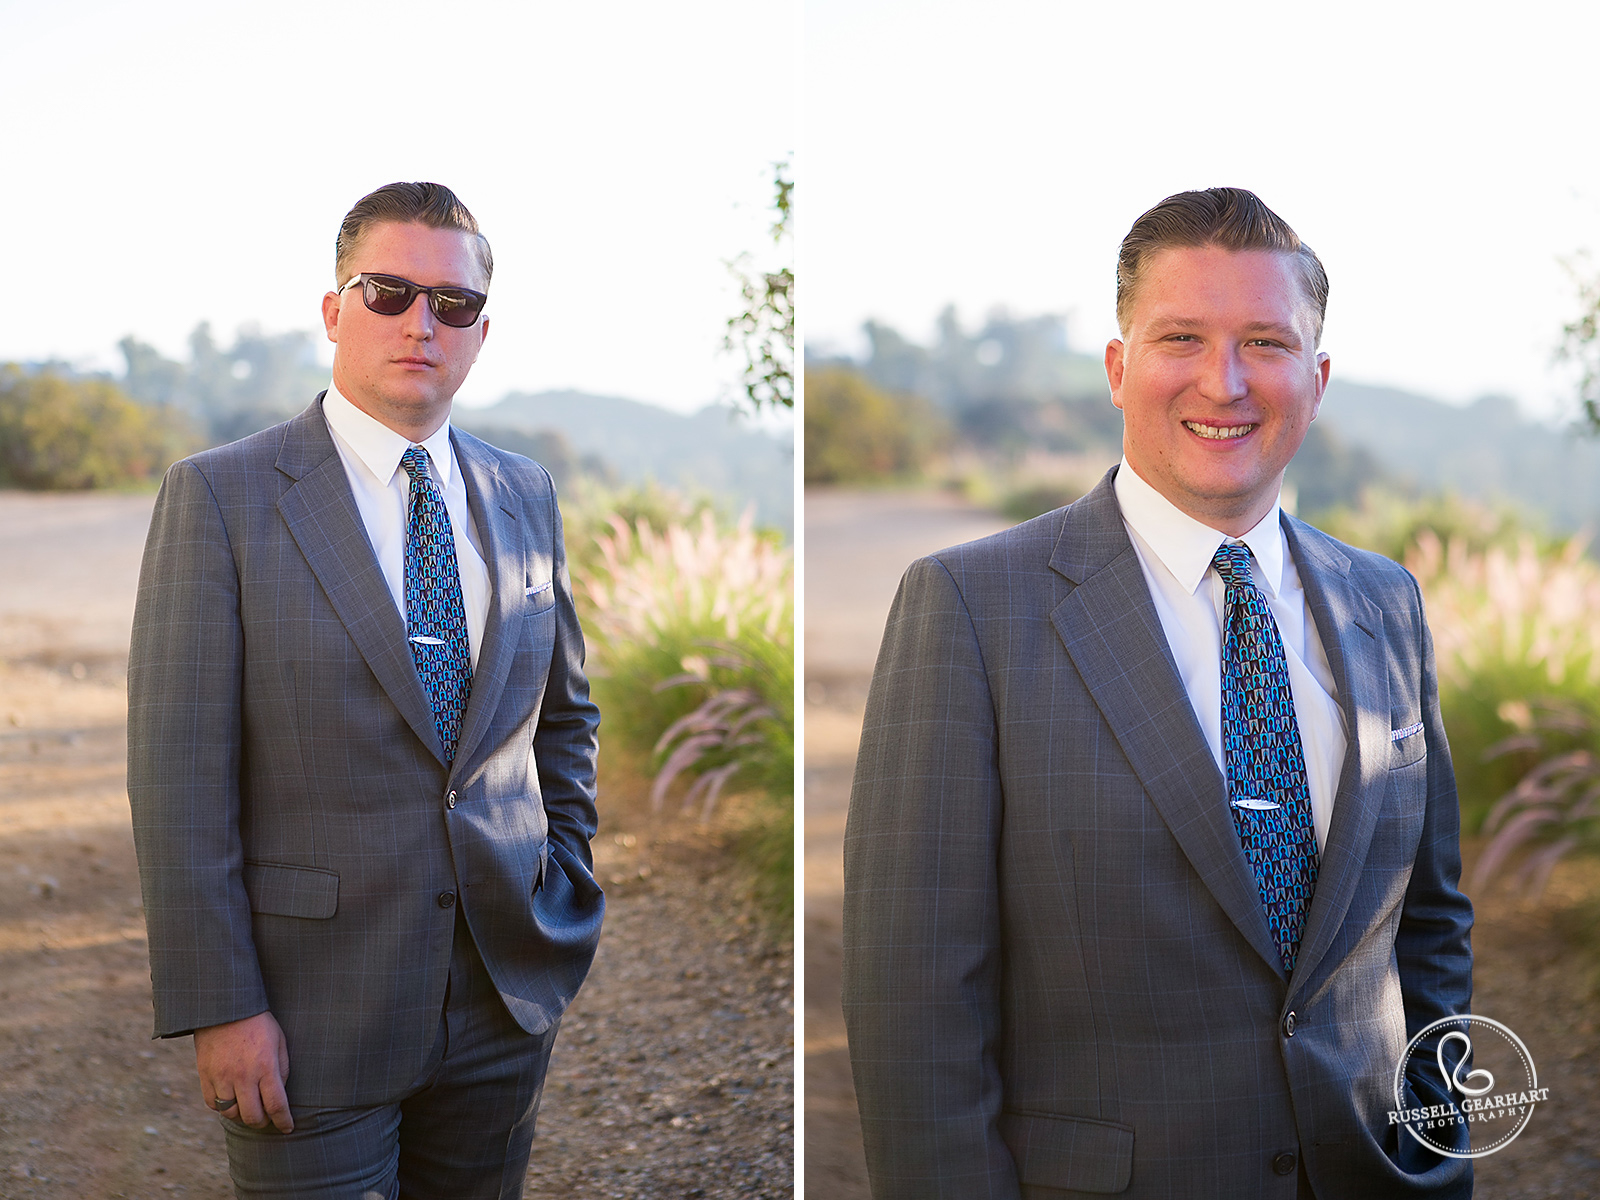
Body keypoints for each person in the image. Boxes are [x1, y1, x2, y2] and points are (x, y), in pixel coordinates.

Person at [842, 188, 1473, 1199]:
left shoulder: (1385, 600)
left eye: (1265, 342)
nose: (1223, 382)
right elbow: (912, 1004)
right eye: (1181, 336)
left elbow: (1429, 926)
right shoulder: (969, 605)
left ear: (1315, 378)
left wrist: (1437, 1162)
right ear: (1117, 366)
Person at [127, 181, 603, 1199]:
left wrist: (563, 874)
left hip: (503, 997)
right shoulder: (221, 496)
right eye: (387, 292)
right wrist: (221, 1005)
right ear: (335, 310)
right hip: (307, 1014)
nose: (420, 322)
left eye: (452, 303)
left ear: (481, 330)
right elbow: (178, 779)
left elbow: (562, 716)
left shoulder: (525, 492)